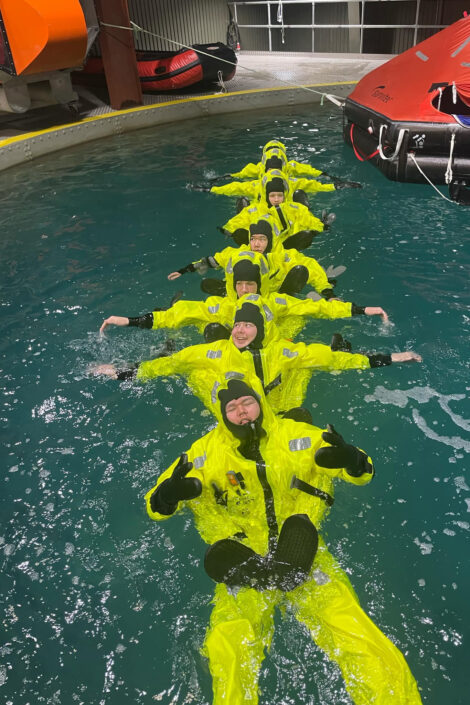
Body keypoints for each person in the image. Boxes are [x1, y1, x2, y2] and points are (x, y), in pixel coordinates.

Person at [145, 379, 423, 705]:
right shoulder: (202, 454)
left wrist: (353, 460)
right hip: (243, 559)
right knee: (229, 648)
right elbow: (155, 506)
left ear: (260, 403)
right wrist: (166, 496)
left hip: (301, 550)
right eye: (232, 408)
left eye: (247, 402)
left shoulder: (297, 436)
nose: (242, 412)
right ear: (222, 415)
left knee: (358, 637)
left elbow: (362, 472)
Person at [93, 297, 421, 418]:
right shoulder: (213, 351)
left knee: (315, 369)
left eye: (248, 325)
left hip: (274, 396)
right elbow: (169, 365)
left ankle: (342, 342)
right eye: (237, 325)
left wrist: (391, 358)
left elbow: (333, 360)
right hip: (237, 401)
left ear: (261, 330)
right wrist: (122, 372)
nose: (240, 330)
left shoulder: (283, 351)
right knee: (190, 367)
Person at [99, 249, 389, 343]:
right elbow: (182, 312)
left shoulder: (276, 301)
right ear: (234, 285)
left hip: (271, 341)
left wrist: (359, 309)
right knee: (211, 329)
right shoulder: (220, 306)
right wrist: (131, 321)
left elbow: (317, 309)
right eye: (241, 285)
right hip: (234, 347)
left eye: (251, 284)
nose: (246, 289)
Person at [167, 219, 338, 299]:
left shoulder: (282, 256)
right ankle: (229, 293)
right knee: (206, 284)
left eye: (262, 239)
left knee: (300, 270)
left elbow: (310, 266)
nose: (256, 244)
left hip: (272, 295)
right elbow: (210, 260)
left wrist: (327, 292)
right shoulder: (237, 253)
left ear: (269, 240)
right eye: (253, 239)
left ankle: (290, 295)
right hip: (242, 293)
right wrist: (184, 270)